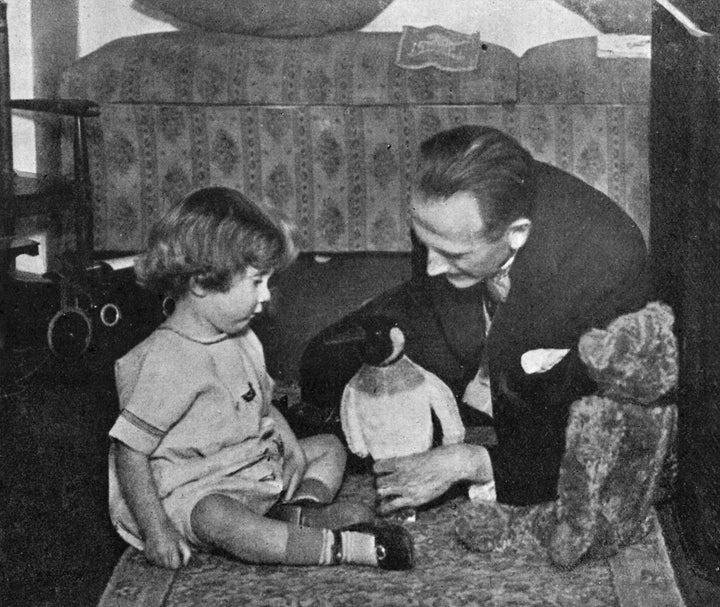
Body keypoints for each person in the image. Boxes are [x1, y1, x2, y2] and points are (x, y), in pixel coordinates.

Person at [299, 125, 652, 510]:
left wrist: (470, 462)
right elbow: (435, 276)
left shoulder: (606, 264)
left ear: (517, 233)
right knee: (323, 364)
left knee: (539, 431)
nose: (432, 266)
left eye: (452, 253)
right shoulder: (450, 233)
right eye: (424, 242)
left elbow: (608, 443)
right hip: (464, 307)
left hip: (555, 346)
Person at [108, 186, 414, 570]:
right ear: (202, 283)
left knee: (329, 448)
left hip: (250, 464)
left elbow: (264, 401)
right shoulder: (167, 360)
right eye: (256, 282)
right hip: (197, 491)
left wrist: (292, 449)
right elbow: (129, 452)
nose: (266, 296)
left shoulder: (243, 337)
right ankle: (344, 548)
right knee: (219, 517)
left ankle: (301, 512)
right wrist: (157, 533)